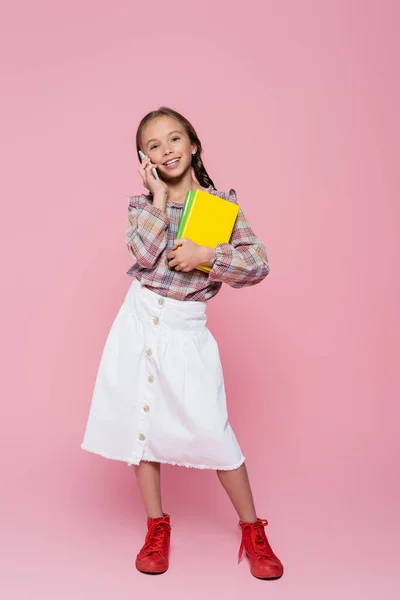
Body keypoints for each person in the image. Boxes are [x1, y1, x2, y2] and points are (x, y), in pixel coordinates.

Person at [81, 106, 284, 580]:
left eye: (174, 139)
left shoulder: (219, 208)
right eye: (154, 145)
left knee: (215, 431)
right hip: (138, 320)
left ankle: (252, 528)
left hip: (186, 327)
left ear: (193, 144)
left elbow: (258, 264)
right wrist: (155, 196)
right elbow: (146, 253)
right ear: (143, 158)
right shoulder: (141, 206)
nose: (167, 150)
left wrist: (208, 256)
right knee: (142, 426)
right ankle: (156, 525)